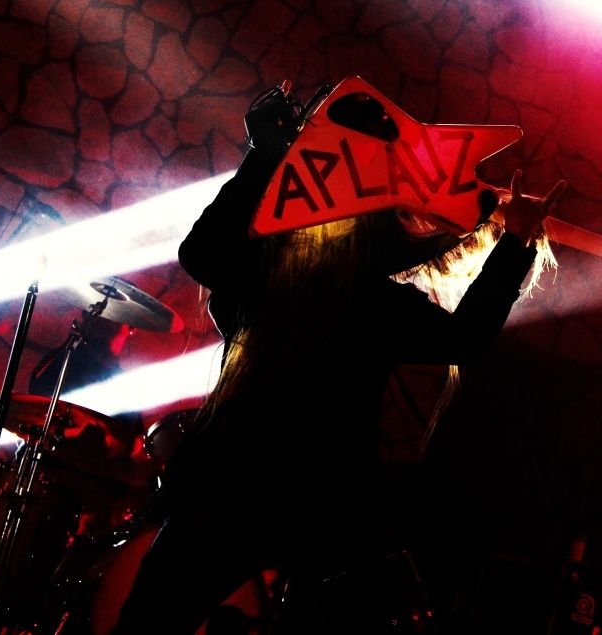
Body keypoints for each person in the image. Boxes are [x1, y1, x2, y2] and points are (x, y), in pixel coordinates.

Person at [112, 83, 563, 634]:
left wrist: (265, 155)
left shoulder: (291, 276)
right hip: (300, 500)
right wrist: (514, 243)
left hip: (266, 495)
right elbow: (465, 338)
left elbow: (203, 254)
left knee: (152, 620)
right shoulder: (348, 293)